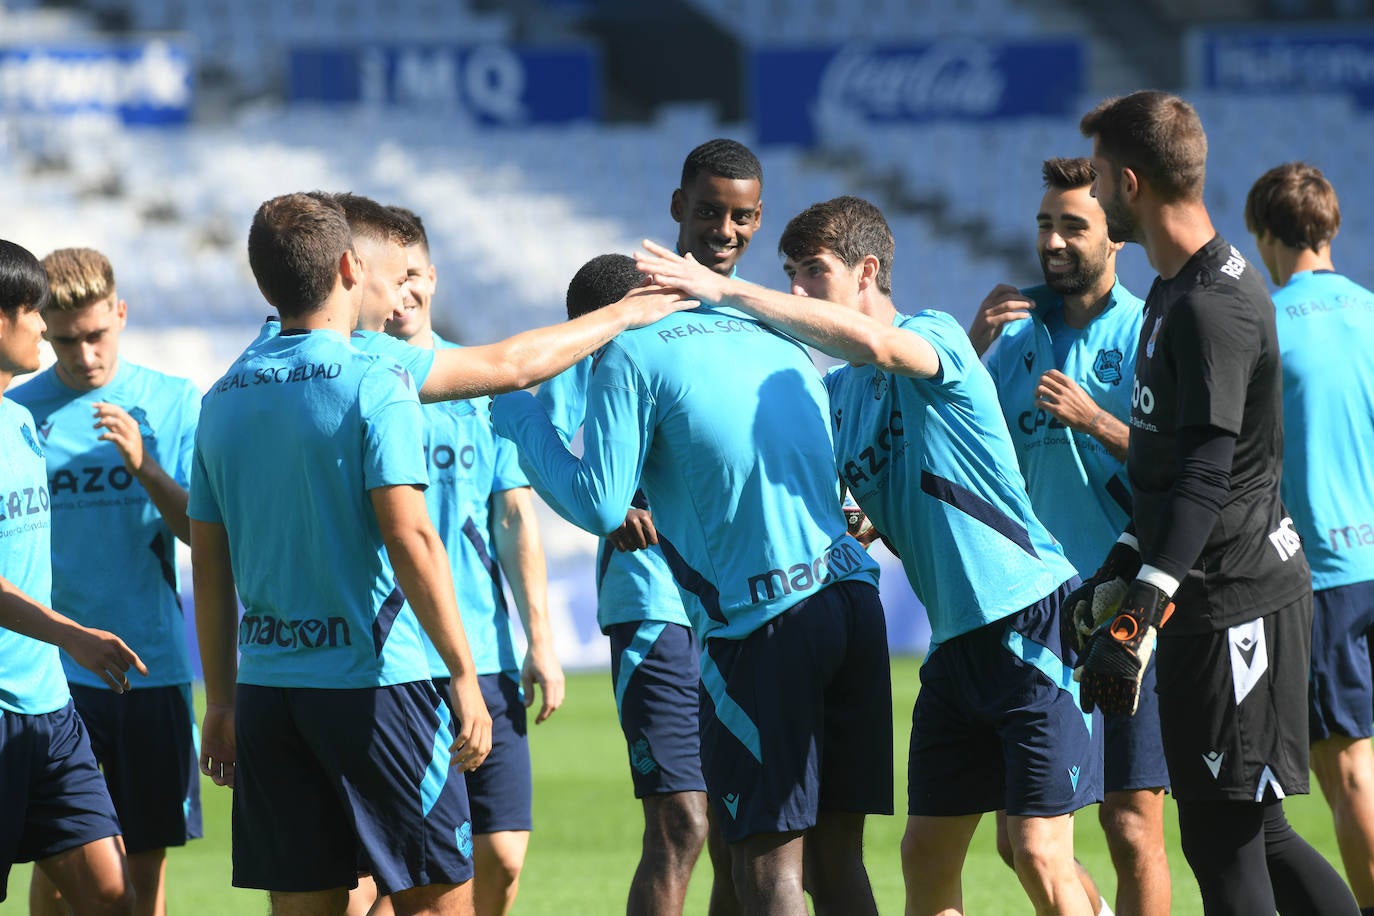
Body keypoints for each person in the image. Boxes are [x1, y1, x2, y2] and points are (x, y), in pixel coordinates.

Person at [637, 196, 1101, 916]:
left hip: (1028, 616)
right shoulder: (837, 393)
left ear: (866, 272)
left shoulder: (932, 333)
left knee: (1037, 851)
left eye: (812, 272)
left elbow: (881, 350)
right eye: (787, 274)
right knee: (924, 858)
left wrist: (728, 288)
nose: (796, 290)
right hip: (952, 647)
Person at [493, 252, 893, 915]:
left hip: (767, 619)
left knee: (767, 868)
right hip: (854, 597)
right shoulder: (764, 331)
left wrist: (516, 417)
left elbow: (598, 503)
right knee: (837, 858)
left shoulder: (625, 350)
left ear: (594, 327)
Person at [1076, 90, 1357, 914]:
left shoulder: (1211, 305)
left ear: (1131, 181)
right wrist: (1120, 564)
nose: (1091, 196)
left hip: (1240, 604)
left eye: (1097, 179)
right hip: (1212, 596)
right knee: (1248, 833)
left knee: (1226, 842)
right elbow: (1166, 471)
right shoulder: (1173, 289)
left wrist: (1138, 616)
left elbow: (1207, 478)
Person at [190, 191, 496, 916]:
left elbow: (208, 563)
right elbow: (411, 534)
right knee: (437, 901)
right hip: (376, 686)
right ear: (351, 266)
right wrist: (462, 670)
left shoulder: (221, 396)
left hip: (269, 690)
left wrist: (223, 700)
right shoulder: (373, 381)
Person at [534, 137, 762, 916]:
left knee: (738, 826)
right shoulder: (601, 341)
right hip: (653, 602)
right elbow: (566, 461)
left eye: (740, 217)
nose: (724, 230)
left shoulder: (738, 321)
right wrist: (617, 495)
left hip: (739, 602)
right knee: (682, 820)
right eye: (708, 212)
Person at [972, 158, 1170, 916]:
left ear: (1114, 236)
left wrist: (1097, 420)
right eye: (1044, 226)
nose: (1053, 242)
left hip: (1126, 599)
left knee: (1129, 825)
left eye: (1072, 226)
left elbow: (1187, 467)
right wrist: (966, 340)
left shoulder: (1148, 330)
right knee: (1021, 835)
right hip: (1034, 609)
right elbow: (956, 443)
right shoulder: (1013, 336)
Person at [384, 207, 565, 916]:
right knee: (406, 872)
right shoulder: (367, 385)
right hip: (401, 659)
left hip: (486, 651)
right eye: (388, 278)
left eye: (413, 276)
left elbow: (516, 514)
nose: (403, 293)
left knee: (504, 859)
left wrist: (542, 642)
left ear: (432, 278)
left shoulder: (481, 381)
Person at [13, 248, 202, 916]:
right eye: (65, 340)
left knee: (142, 863)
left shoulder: (172, 400)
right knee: (63, 862)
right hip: (55, 674)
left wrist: (145, 466)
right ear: (41, 328)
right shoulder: (19, 412)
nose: (83, 354)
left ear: (120, 314)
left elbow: (200, 535)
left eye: (96, 335)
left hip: (150, 662)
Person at [0, 238, 146, 915]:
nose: (42, 327)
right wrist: (72, 635)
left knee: (116, 901)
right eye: (33, 312)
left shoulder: (21, 423)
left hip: (51, 712)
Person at [1245, 161, 1374, 915]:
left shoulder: (1270, 323)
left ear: (1263, 233)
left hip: (1323, 573)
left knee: (1350, 775)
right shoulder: (1370, 311)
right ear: (1331, 226)